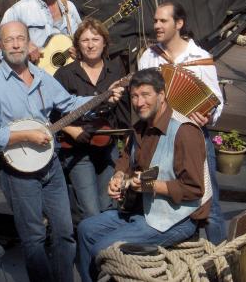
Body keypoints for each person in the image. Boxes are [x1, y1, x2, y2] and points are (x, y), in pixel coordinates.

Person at [0, 21, 123, 282]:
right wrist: (25, 135)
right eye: (9, 40)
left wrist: (103, 97)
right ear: (0, 46)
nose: (16, 44)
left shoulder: (42, 77)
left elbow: (70, 103)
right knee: (33, 237)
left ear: (28, 42)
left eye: (20, 38)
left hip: (51, 165)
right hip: (19, 171)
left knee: (65, 232)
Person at [77, 68, 212, 282]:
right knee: (85, 229)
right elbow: (125, 157)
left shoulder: (185, 132)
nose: (139, 103)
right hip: (142, 210)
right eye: (134, 96)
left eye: (145, 95)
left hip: (177, 219)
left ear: (161, 95)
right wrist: (119, 176)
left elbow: (194, 189)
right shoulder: (139, 126)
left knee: (102, 249)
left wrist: (151, 186)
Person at [138, 1, 226, 245]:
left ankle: (221, 261)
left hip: (194, 137)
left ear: (179, 24)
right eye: (155, 20)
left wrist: (208, 116)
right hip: (159, 138)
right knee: (166, 198)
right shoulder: (148, 57)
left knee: (210, 205)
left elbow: (216, 100)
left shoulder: (201, 59)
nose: (156, 25)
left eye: (163, 21)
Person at [53, 18, 131, 223]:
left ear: (104, 43)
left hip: (108, 147)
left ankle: (105, 254)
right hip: (77, 149)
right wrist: (71, 130)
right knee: (90, 211)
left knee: (109, 206)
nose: (90, 44)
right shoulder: (65, 74)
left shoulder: (115, 71)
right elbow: (53, 114)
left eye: (95, 39)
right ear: (77, 45)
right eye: (85, 40)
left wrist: (127, 147)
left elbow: (124, 112)